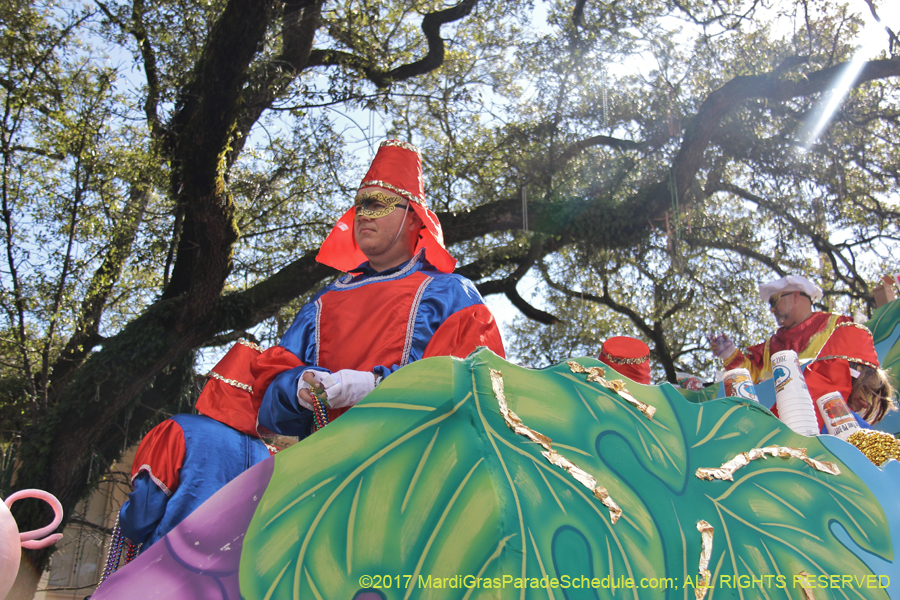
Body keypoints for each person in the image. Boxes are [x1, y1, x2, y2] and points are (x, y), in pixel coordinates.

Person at [252, 140, 505, 439]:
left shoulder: (451, 295)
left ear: (413, 218)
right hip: (328, 472)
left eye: (376, 204)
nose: (362, 214)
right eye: (360, 205)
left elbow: (477, 384)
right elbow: (268, 394)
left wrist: (375, 386)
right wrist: (298, 386)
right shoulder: (320, 305)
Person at [118, 340, 273, 551]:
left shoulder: (179, 429)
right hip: (232, 578)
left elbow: (141, 515)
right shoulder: (270, 456)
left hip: (169, 567)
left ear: (217, 384)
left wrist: (128, 523)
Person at [710, 275, 851, 382]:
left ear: (795, 296)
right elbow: (750, 383)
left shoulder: (837, 325)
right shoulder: (770, 348)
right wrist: (729, 354)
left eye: (775, 301)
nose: (772, 309)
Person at [801, 322, 896, 429]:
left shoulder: (785, 409)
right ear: (846, 377)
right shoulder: (853, 430)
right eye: (866, 394)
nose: (865, 405)